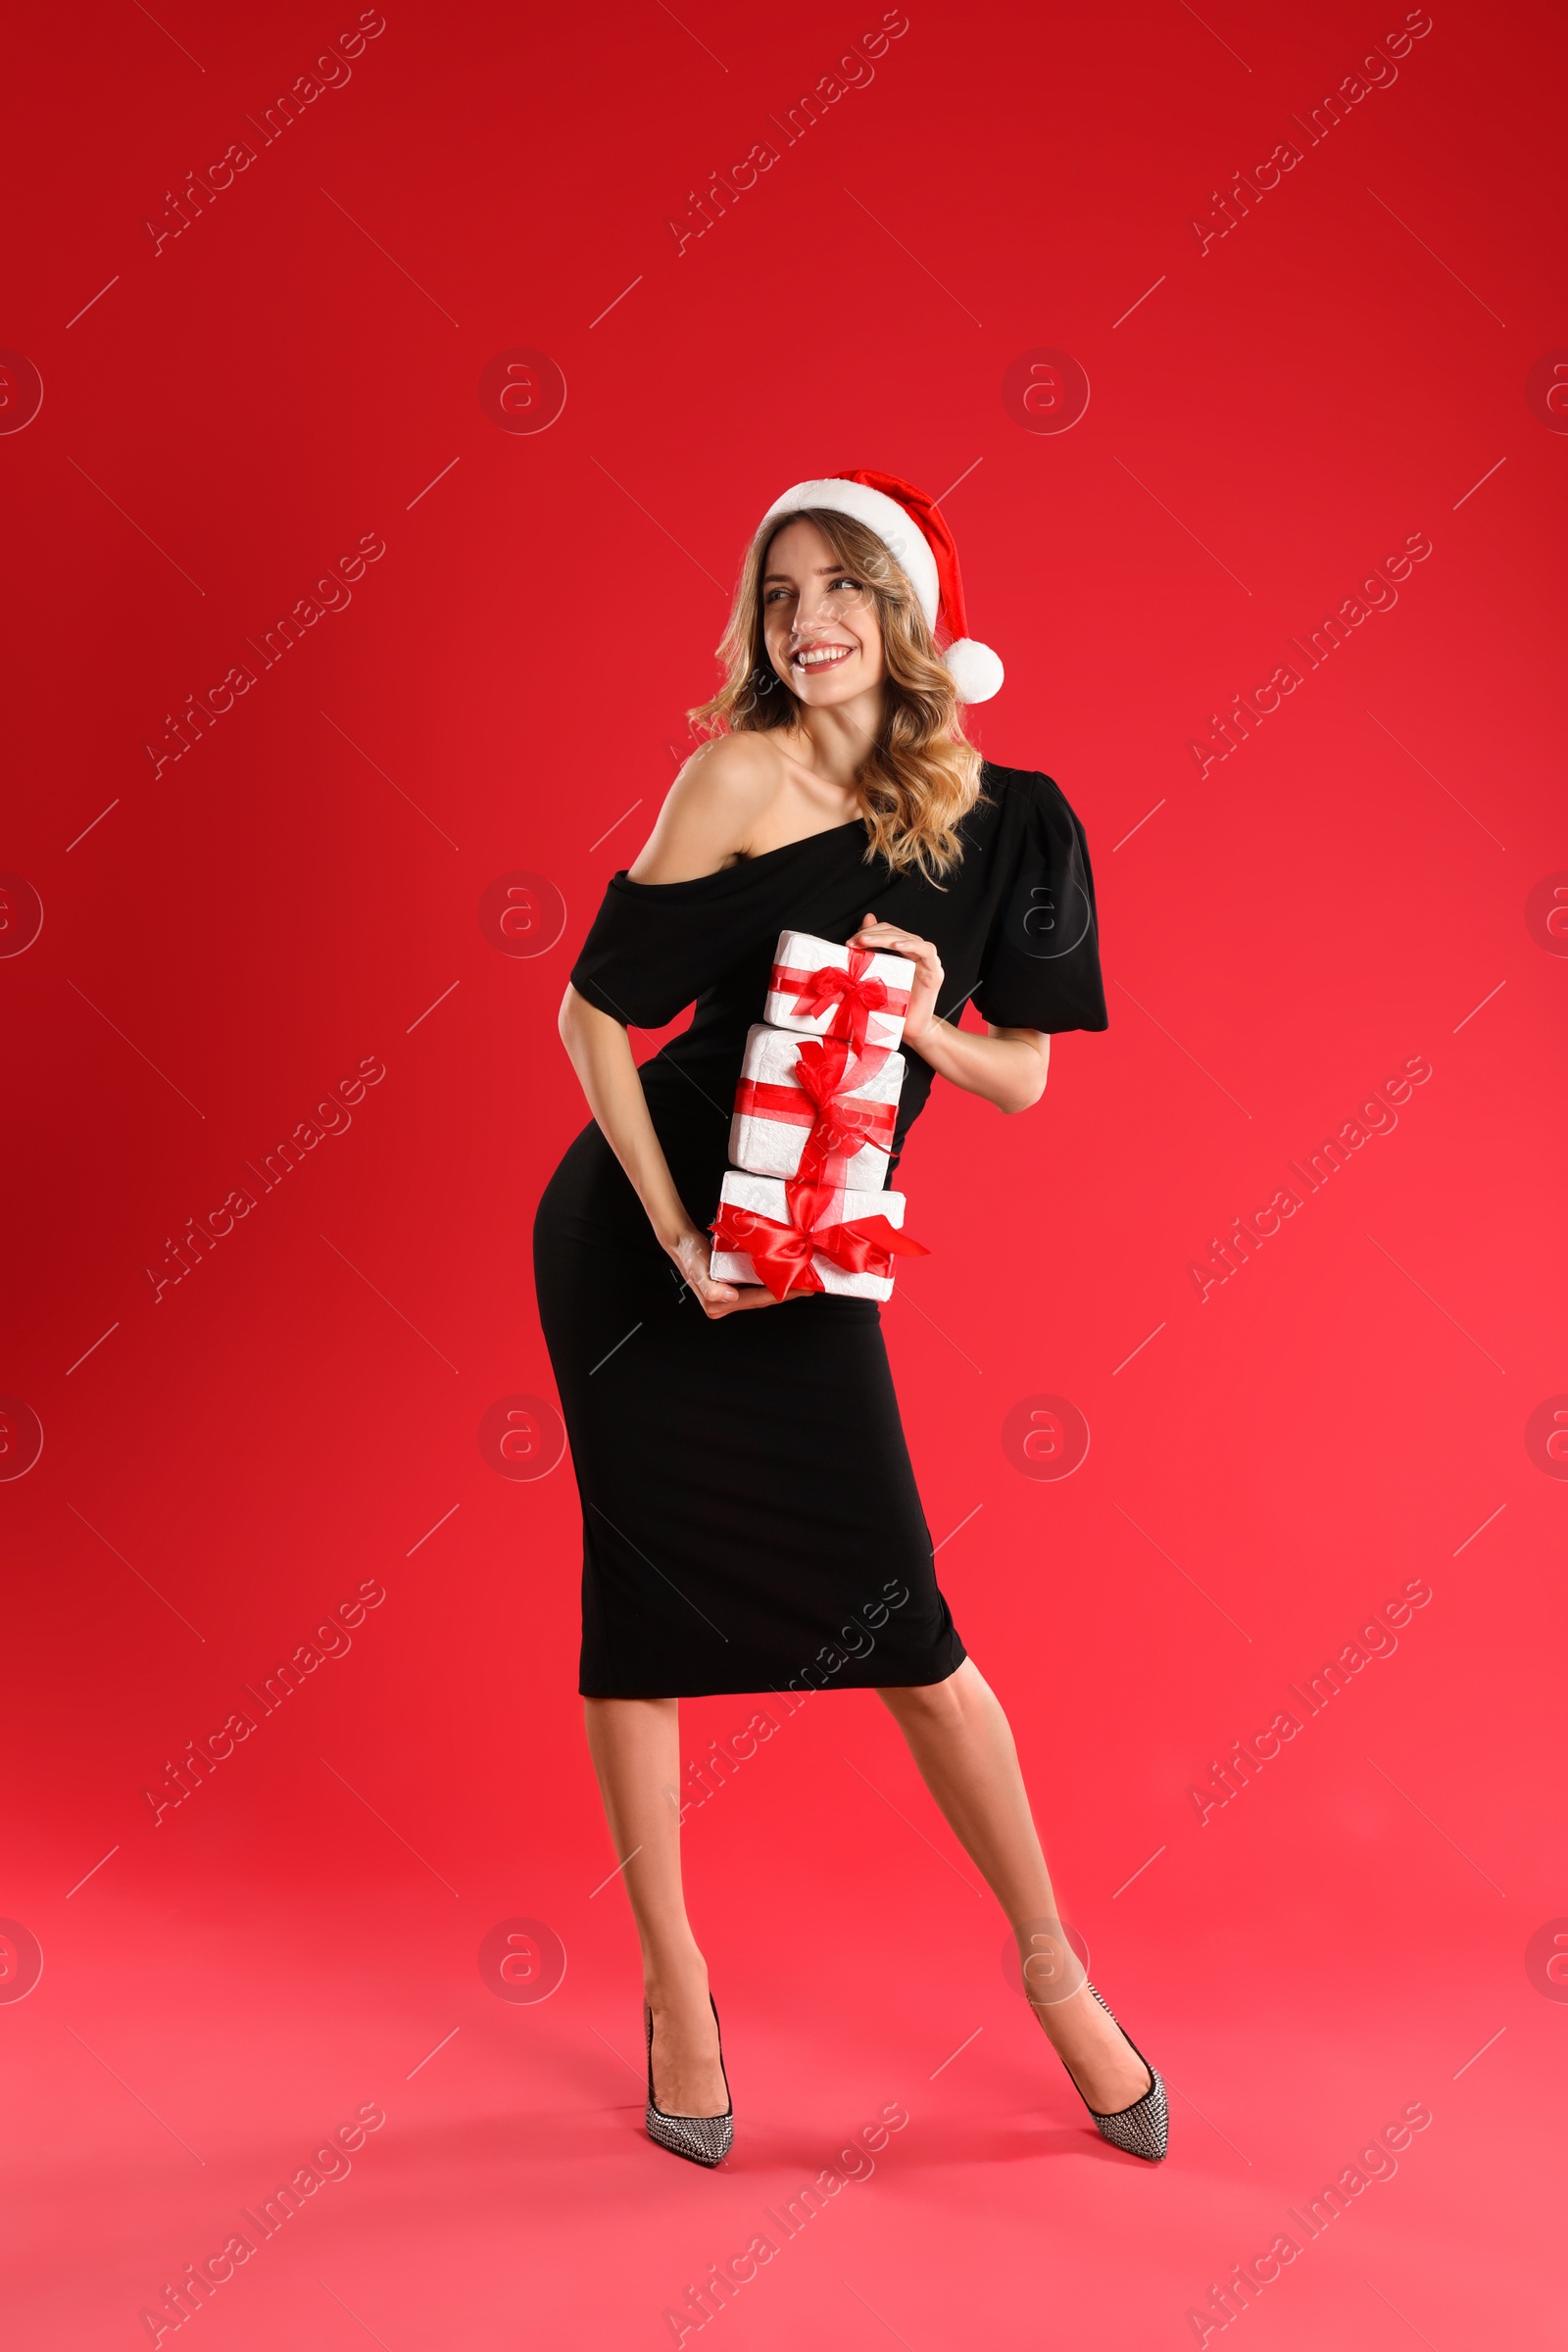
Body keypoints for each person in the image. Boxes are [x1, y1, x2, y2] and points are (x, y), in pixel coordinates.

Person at [533, 469, 1166, 2167]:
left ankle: (1057, 1978)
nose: (805, 622)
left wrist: (915, 1017)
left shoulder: (1014, 817)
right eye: (780, 592)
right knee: (640, 1611)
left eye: (845, 590)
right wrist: (671, 1235)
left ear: (911, 619)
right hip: (646, 1239)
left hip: (817, 1243)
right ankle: (676, 1988)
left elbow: (1022, 1079)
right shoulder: (731, 774)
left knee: (913, 1634)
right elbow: (597, 1018)